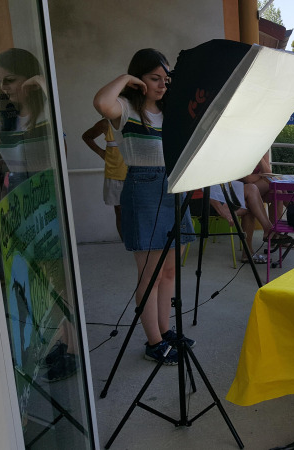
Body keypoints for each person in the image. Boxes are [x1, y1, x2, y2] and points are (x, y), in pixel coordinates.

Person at [93, 48, 196, 365]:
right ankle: (154, 342)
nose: (163, 84)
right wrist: (126, 80)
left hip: (173, 187)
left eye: (166, 79)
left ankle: (165, 333)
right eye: (155, 78)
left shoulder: (171, 112)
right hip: (144, 189)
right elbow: (101, 102)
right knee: (149, 275)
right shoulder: (125, 109)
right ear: (139, 78)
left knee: (168, 272)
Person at [0, 48, 52, 190]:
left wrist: (40, 80)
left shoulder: (47, 114)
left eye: (10, 80)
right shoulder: (4, 122)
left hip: (46, 193)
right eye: (0, 81)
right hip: (17, 195)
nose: (3, 87)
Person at [81, 118, 128, 239]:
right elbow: (87, 136)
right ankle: (125, 244)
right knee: (119, 210)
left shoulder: (138, 118)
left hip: (137, 174)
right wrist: (101, 152)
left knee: (140, 210)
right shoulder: (106, 123)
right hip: (115, 174)